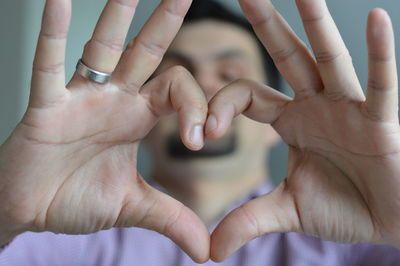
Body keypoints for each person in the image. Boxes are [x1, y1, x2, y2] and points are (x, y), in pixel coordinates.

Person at [0, 0, 399, 265]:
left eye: (230, 77)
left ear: (277, 126)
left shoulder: (356, 243)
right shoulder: (59, 236)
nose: (205, 90)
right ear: (146, 124)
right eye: (181, 77)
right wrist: (5, 211)